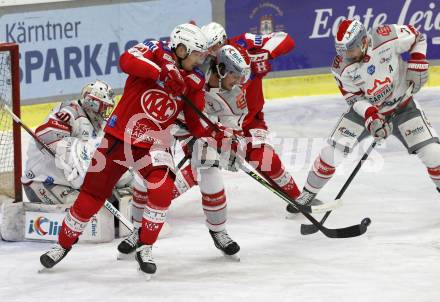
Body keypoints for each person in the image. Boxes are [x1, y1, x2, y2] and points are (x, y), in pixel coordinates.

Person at [39, 23, 232, 278]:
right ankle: (61, 245)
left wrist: (213, 133)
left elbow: (195, 123)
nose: (199, 61)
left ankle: (145, 247)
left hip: (154, 144)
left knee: (161, 190)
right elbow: (126, 60)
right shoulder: (154, 52)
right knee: (91, 197)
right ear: (182, 49)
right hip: (119, 137)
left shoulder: (193, 81)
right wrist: (162, 73)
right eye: (196, 54)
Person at [286, 19, 439, 215]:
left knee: (434, 154)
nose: (345, 56)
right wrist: (372, 118)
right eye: (341, 51)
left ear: (364, 41)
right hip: (365, 112)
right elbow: (355, 99)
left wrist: (418, 62)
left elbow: (418, 36)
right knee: (331, 152)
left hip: (403, 106)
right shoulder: (341, 66)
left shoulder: (387, 36)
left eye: (350, 50)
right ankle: (307, 194)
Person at [117, 44, 251, 260]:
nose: (238, 82)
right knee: (144, 175)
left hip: (201, 128)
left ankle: (219, 231)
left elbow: (231, 129)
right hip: (165, 120)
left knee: (210, 169)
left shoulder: (235, 97)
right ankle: (138, 231)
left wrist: (231, 145)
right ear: (222, 69)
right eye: (235, 75)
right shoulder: (195, 64)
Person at [201, 22, 301, 206]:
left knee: (266, 159)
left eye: (215, 47)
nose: (212, 53)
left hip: (251, 120)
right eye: (208, 49)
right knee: (201, 163)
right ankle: (152, 200)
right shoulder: (206, 66)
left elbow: (286, 40)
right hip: (222, 125)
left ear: (224, 40)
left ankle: (298, 198)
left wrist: (264, 55)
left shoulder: (245, 42)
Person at [21, 80, 116, 205]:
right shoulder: (70, 112)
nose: (105, 111)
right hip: (42, 183)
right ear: (93, 103)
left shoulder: (97, 124)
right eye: (104, 106)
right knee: (86, 208)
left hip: (69, 184)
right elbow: (45, 135)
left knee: (112, 198)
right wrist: (72, 161)